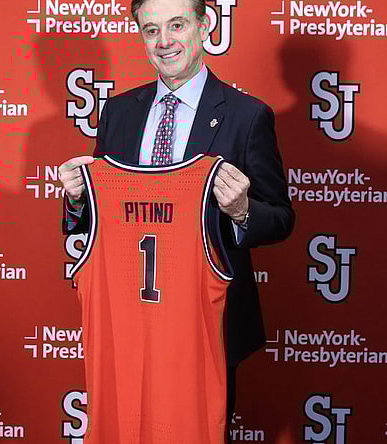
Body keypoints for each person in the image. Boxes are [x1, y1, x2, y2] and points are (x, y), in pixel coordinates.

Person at [58, 0, 294, 439]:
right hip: (133, 317)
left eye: (177, 25)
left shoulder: (247, 116)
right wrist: (76, 200)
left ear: (204, 27)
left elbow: (281, 218)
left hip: (206, 323)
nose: (164, 41)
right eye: (151, 31)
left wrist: (242, 210)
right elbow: (103, 215)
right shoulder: (119, 112)